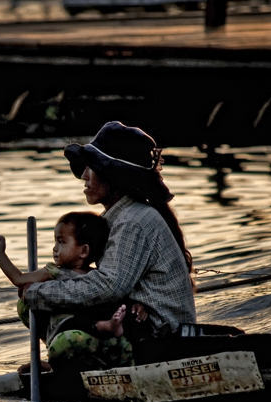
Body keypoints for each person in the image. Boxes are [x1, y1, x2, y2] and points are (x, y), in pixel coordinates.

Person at [19, 121, 197, 371]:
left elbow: (108, 287)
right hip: (129, 321)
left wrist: (40, 293)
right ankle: (70, 362)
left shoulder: (132, 220)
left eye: (92, 168)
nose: (84, 176)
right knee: (28, 308)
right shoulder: (116, 218)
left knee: (58, 334)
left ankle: (64, 361)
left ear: (114, 176)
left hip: (157, 336)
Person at [0, 211, 147, 369]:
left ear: (83, 251)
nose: (55, 248)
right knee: (24, 306)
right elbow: (19, 279)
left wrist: (137, 305)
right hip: (64, 328)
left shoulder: (97, 278)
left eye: (61, 242)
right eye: (55, 242)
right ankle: (55, 357)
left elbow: (118, 294)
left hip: (90, 336)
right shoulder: (52, 272)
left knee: (106, 311)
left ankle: (106, 331)